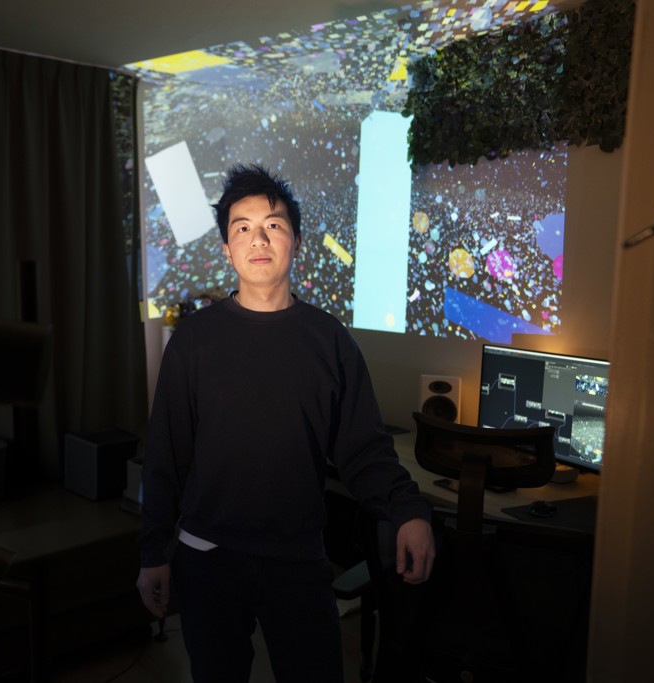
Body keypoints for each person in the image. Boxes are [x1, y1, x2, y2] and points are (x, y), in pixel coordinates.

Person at [137, 163, 435, 682]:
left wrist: (408, 511)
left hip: (298, 557)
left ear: (295, 241)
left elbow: (364, 449)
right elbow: (167, 455)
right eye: (243, 227)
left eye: (273, 225)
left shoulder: (330, 340)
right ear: (227, 249)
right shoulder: (193, 342)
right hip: (208, 556)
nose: (258, 238)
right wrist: (153, 552)